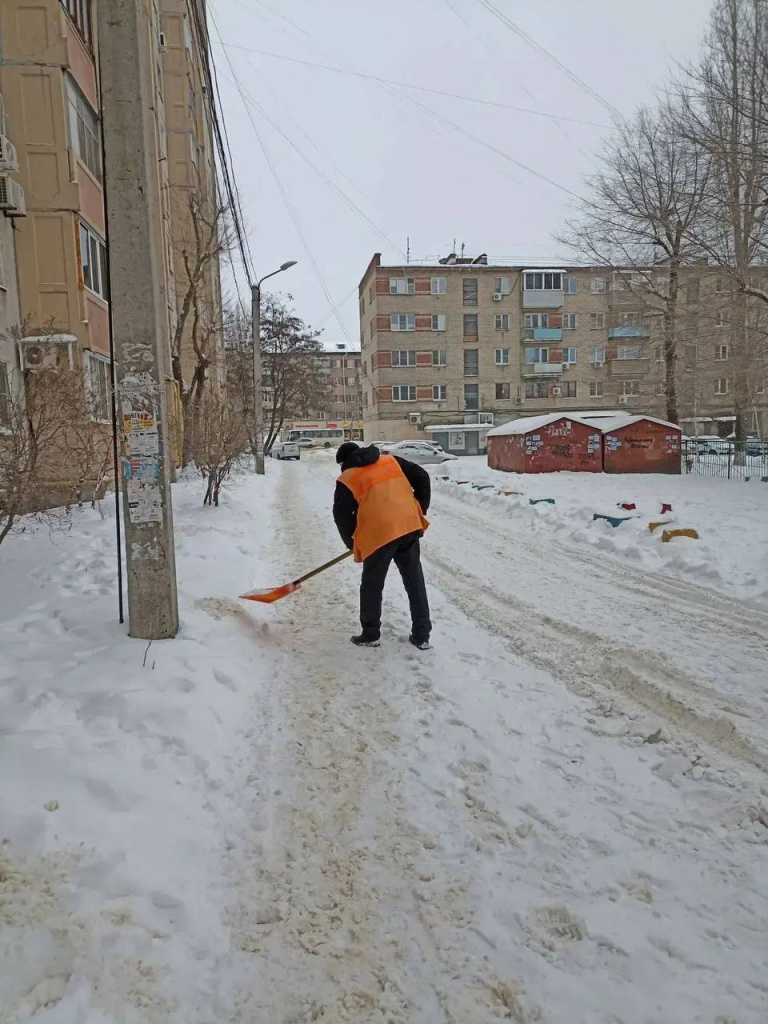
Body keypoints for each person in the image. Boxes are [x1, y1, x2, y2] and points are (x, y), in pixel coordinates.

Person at [333, 442, 432, 649]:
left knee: (372, 584)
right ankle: (422, 635)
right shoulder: (391, 460)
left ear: (344, 461)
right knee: (415, 582)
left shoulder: (347, 478)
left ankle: (370, 634)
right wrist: (418, 508)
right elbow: (422, 476)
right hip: (408, 526)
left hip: (378, 535)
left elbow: (341, 516)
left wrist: (352, 543)